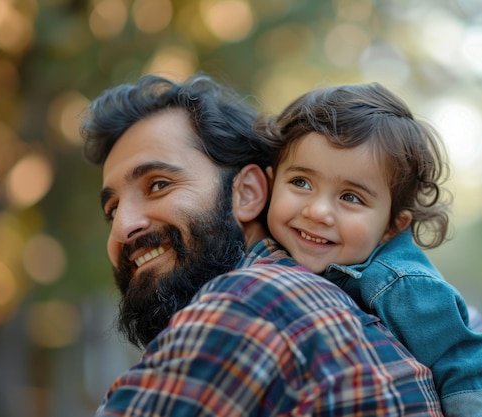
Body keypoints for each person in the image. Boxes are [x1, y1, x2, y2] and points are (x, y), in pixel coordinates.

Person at [80, 74, 444, 416]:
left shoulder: (255, 300)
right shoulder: (328, 307)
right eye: (112, 210)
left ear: (249, 192)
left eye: (158, 184)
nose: (124, 227)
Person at [259, 83, 482, 416]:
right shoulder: (256, 248)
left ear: (392, 226)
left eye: (351, 197)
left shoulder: (401, 284)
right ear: (270, 182)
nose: (317, 211)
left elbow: (464, 365)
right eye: (301, 182)